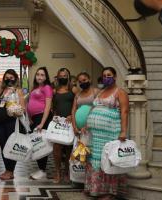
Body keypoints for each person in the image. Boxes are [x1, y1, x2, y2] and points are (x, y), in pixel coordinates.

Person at [84, 67, 129, 200]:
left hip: (110, 134)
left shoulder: (120, 92)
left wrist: (123, 131)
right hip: (94, 135)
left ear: (115, 77)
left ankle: (109, 191)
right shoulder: (100, 92)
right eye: (104, 75)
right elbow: (93, 108)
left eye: (109, 75)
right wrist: (87, 124)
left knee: (107, 160)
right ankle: (95, 188)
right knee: (95, 160)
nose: (106, 78)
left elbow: (124, 112)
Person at [0, 69, 25, 180]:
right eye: (7, 78)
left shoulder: (18, 91)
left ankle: (10, 171)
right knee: (3, 146)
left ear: (15, 79)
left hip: (12, 121)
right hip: (0, 122)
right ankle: (7, 169)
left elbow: (22, 108)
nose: (9, 80)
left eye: (11, 78)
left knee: (11, 146)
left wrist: (14, 109)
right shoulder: (2, 90)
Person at [27, 67, 54, 180]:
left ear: (46, 77)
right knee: (36, 144)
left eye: (42, 75)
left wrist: (42, 123)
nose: (39, 77)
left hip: (42, 118)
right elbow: (30, 103)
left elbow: (48, 106)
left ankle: (42, 170)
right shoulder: (35, 88)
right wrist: (29, 118)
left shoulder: (47, 87)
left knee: (41, 144)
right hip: (35, 119)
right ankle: (40, 169)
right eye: (38, 74)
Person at [52, 67, 78, 183]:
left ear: (68, 76)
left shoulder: (73, 89)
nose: (63, 78)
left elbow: (78, 105)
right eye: (60, 76)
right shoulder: (54, 90)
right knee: (57, 147)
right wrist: (55, 115)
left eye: (65, 76)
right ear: (57, 77)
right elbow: (54, 106)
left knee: (68, 148)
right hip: (58, 122)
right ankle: (57, 172)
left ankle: (67, 172)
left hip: (70, 122)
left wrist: (72, 116)